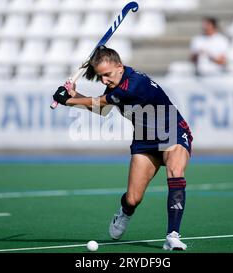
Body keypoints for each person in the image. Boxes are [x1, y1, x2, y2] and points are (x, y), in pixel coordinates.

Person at [52, 46, 193, 251]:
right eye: (100, 77)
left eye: (107, 75)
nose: (104, 81)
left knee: (175, 173)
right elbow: (103, 109)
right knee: (133, 198)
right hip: (144, 140)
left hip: (172, 132)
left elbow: (102, 101)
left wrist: (67, 100)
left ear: (120, 67)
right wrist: (75, 93)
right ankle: (124, 212)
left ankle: (172, 235)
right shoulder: (115, 83)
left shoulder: (135, 83)